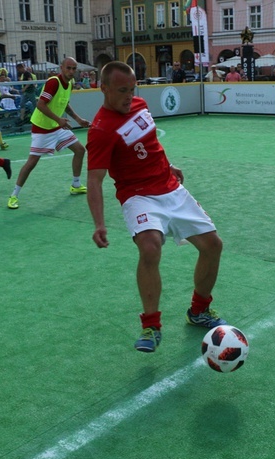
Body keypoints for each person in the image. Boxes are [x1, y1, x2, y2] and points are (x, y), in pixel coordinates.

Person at [85, 61, 227, 353]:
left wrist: (168, 165)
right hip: (138, 195)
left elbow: (149, 144)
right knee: (150, 246)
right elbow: (95, 180)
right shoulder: (101, 130)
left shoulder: (139, 104)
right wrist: (99, 223)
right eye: (122, 90)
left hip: (171, 188)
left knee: (213, 245)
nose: (129, 95)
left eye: (132, 88)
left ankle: (199, 309)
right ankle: (151, 325)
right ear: (104, 89)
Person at [7, 57, 89, 209]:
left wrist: (78, 119)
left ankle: (75, 185)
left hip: (56, 127)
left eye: (74, 69)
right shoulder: (53, 82)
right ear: (61, 68)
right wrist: (59, 120)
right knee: (32, 162)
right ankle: (13, 195)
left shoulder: (70, 84)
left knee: (79, 150)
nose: (71, 71)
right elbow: (40, 104)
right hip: (42, 129)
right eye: (68, 68)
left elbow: (65, 104)